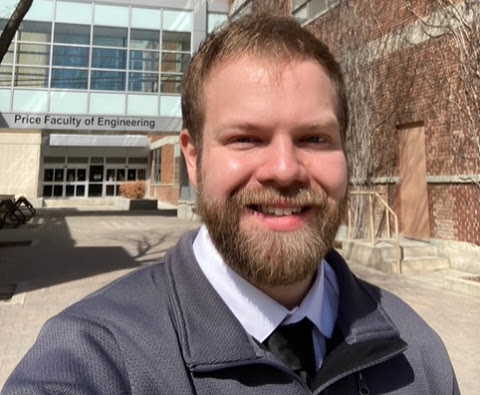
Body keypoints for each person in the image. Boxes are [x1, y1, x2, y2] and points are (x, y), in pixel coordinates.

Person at [2, 14, 459, 395]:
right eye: (246, 138)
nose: (284, 169)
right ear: (194, 158)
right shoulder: (95, 359)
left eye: (314, 138)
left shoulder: (418, 358)